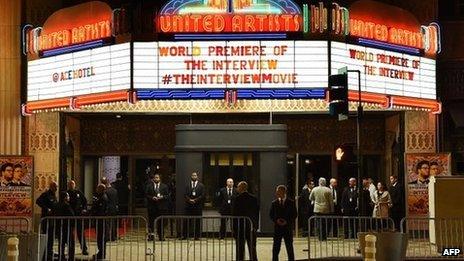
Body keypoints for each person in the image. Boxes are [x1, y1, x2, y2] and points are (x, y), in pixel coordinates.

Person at [232, 181, 259, 261]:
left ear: (241, 188)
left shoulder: (237, 199)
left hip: (240, 227)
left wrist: (234, 228)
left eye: (238, 187)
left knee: (240, 248)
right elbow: (256, 213)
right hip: (251, 226)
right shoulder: (254, 198)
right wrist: (256, 226)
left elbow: (235, 215)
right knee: (252, 248)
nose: (237, 188)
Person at [270, 185, 297, 261]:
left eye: (278, 191)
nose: (276, 193)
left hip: (287, 228)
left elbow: (294, 214)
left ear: (284, 192)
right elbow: (271, 214)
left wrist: (287, 221)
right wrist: (276, 220)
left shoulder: (291, 202)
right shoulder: (274, 203)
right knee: (276, 248)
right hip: (277, 229)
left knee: (289, 248)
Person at [36, 181, 58, 260]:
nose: (56, 188)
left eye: (57, 187)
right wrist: (46, 209)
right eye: (55, 187)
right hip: (46, 219)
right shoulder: (45, 194)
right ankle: (45, 253)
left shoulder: (54, 195)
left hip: (52, 220)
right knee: (47, 236)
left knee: (51, 237)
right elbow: (38, 201)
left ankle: (50, 251)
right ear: (51, 187)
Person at [67, 180, 89, 255]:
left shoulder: (78, 192)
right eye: (70, 184)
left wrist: (84, 209)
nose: (71, 185)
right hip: (70, 216)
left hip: (78, 215)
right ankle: (71, 250)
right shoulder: (66, 193)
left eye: (72, 184)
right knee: (70, 233)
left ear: (74, 185)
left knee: (80, 233)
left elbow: (85, 201)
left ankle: (84, 249)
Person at [145, 173, 169, 241]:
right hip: (152, 207)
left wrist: (162, 197)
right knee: (151, 223)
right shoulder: (149, 186)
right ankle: (151, 236)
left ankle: (161, 236)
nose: (156, 179)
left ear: (160, 178)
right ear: (153, 179)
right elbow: (146, 195)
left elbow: (167, 196)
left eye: (157, 177)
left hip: (161, 208)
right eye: (155, 177)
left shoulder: (164, 186)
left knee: (161, 223)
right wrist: (152, 197)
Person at [54, 191, 75, 261]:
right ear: (65, 198)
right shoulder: (66, 205)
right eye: (68, 196)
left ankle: (61, 256)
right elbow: (72, 215)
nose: (69, 197)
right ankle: (71, 257)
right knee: (71, 243)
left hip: (59, 226)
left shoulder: (56, 205)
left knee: (61, 243)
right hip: (67, 226)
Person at [183, 172, 204, 240]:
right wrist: (190, 200)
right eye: (193, 175)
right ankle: (185, 236)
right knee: (187, 221)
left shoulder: (201, 185)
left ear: (197, 177)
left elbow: (202, 195)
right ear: (191, 176)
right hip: (188, 206)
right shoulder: (187, 185)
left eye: (195, 175)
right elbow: (185, 194)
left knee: (197, 222)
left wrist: (195, 200)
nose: (194, 176)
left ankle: (197, 236)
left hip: (197, 206)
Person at [91, 184, 109, 260]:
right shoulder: (100, 197)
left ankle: (101, 253)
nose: (96, 190)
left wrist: (94, 213)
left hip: (101, 221)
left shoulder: (103, 198)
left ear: (101, 189)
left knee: (101, 238)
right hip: (100, 221)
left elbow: (100, 210)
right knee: (100, 237)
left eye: (98, 188)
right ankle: (101, 252)